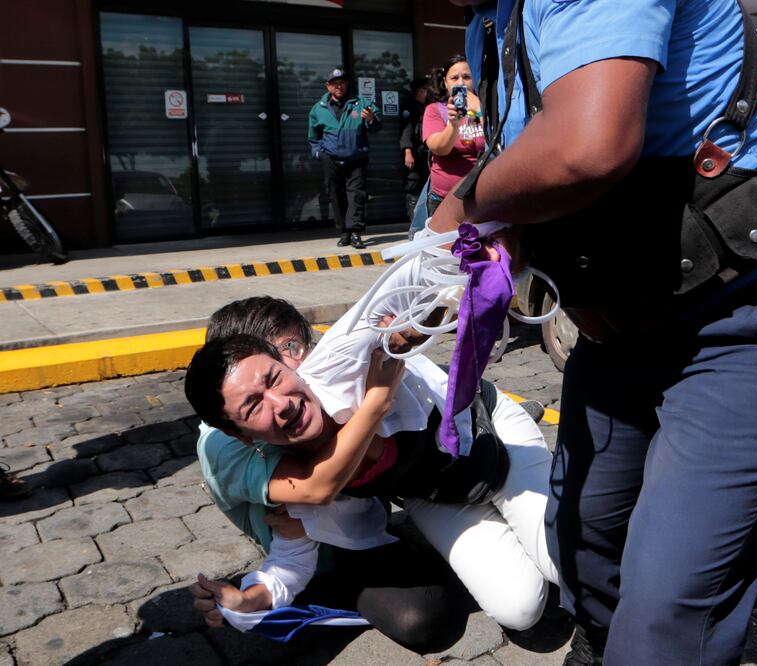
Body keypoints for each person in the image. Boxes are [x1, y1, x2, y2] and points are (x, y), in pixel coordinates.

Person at [427, 1, 757, 663]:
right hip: (620, 332)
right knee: (582, 543)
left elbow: (585, 147)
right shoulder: (488, 20)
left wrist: (451, 217)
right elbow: (528, 187)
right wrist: (455, 278)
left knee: (667, 613)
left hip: (751, 316)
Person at [186, 277, 558, 631]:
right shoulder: (296, 467)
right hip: (435, 494)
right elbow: (293, 550)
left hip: (487, 432)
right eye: (252, 403)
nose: (285, 394)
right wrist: (248, 599)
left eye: (292, 350)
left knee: (561, 562)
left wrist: (408, 329)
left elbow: (421, 287)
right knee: (520, 609)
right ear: (244, 433)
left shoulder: (358, 363)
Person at [189, 297, 467, 652]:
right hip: (326, 557)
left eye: (298, 346)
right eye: (283, 352)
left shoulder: (306, 391)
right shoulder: (224, 447)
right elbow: (318, 490)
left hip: (373, 512)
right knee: (425, 620)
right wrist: (378, 398)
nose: (301, 363)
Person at [308, 68, 381, 250]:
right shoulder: (319, 108)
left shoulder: (361, 103)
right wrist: (318, 152)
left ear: (347, 85)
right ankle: (344, 232)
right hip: (331, 159)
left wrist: (371, 119)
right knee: (336, 195)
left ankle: (356, 232)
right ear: (328, 86)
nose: (339, 86)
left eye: (342, 82)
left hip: (356, 158)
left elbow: (376, 127)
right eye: (335, 83)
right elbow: (313, 135)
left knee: (356, 195)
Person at [422, 55, 485, 217]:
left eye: (466, 77)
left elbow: (501, 140)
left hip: (482, 197)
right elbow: (439, 149)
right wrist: (453, 124)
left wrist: (479, 109)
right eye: (454, 78)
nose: (461, 83)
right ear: (445, 82)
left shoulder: (485, 108)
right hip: (443, 199)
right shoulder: (435, 110)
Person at [400, 75, 431, 222]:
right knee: (413, 185)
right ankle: (414, 221)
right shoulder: (409, 107)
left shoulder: (428, 107)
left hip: (427, 154)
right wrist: (408, 151)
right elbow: (406, 131)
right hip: (414, 153)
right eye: (423, 89)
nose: (426, 92)